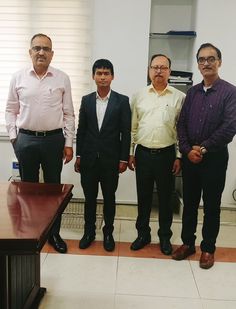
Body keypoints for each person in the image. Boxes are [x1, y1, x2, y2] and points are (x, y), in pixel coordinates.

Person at [5, 33, 75, 254]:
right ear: (30, 52)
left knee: (53, 190)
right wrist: (15, 138)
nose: (41, 52)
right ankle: (32, 232)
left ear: (52, 54)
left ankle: (54, 234)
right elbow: (10, 110)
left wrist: (69, 142)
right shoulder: (18, 78)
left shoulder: (62, 78)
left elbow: (69, 114)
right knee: (29, 190)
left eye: (46, 49)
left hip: (54, 140)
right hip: (25, 140)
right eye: (37, 48)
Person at [172, 43, 236, 269]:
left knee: (211, 206)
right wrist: (188, 150)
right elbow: (181, 124)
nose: (206, 63)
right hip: (191, 158)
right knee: (189, 203)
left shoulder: (230, 92)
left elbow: (230, 127)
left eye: (211, 59)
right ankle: (188, 243)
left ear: (219, 62)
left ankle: (208, 248)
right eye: (201, 59)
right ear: (197, 64)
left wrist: (203, 148)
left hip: (214, 160)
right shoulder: (192, 93)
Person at [129, 54, 185, 255]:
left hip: (167, 155)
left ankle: (164, 237)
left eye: (163, 67)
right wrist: (131, 153)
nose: (159, 71)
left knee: (165, 198)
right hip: (142, 154)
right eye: (155, 67)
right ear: (149, 70)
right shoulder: (139, 95)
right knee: (143, 197)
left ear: (170, 71)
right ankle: (143, 234)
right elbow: (133, 127)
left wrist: (179, 156)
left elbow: (181, 130)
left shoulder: (179, 97)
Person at [74, 59, 131, 252]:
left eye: (106, 73)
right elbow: (81, 131)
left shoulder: (122, 101)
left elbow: (126, 132)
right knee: (89, 198)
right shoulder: (86, 100)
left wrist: (123, 158)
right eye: (99, 73)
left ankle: (108, 233)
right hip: (89, 159)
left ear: (112, 76)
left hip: (111, 160)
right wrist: (79, 156)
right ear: (93, 76)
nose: (103, 77)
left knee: (109, 197)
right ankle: (88, 232)